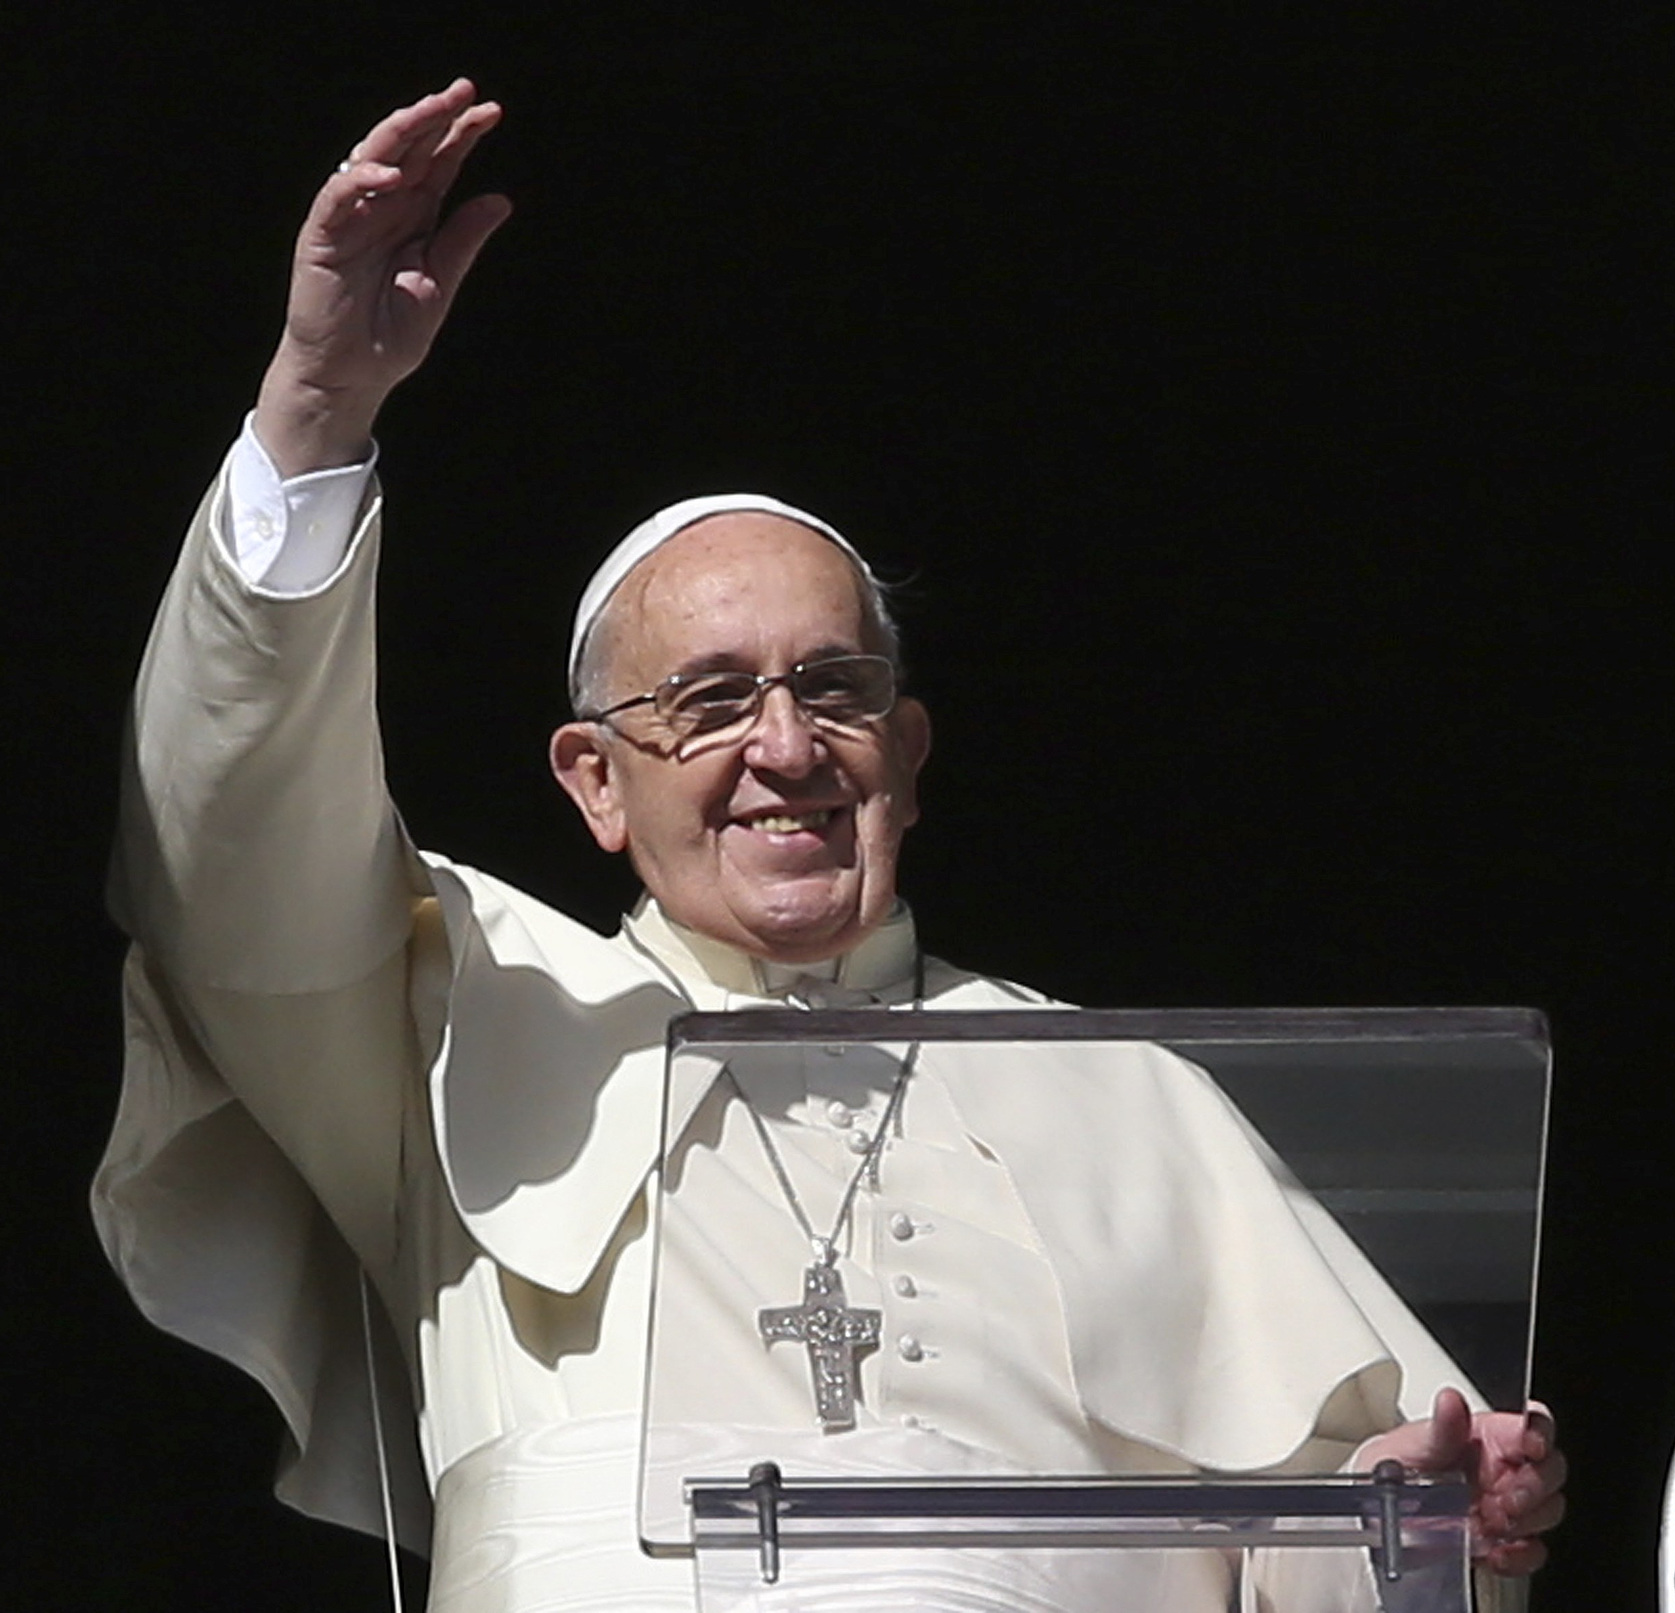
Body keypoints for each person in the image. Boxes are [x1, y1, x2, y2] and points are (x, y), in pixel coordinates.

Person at [97, 80, 1566, 1612]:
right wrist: (318, 411)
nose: (785, 749)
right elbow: (223, 855)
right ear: (595, 781)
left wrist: (1411, 1518)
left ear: (910, 757)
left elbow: (1346, 1542)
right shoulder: (456, 1012)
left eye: (835, 690)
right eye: (712, 701)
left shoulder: (1127, 1089)